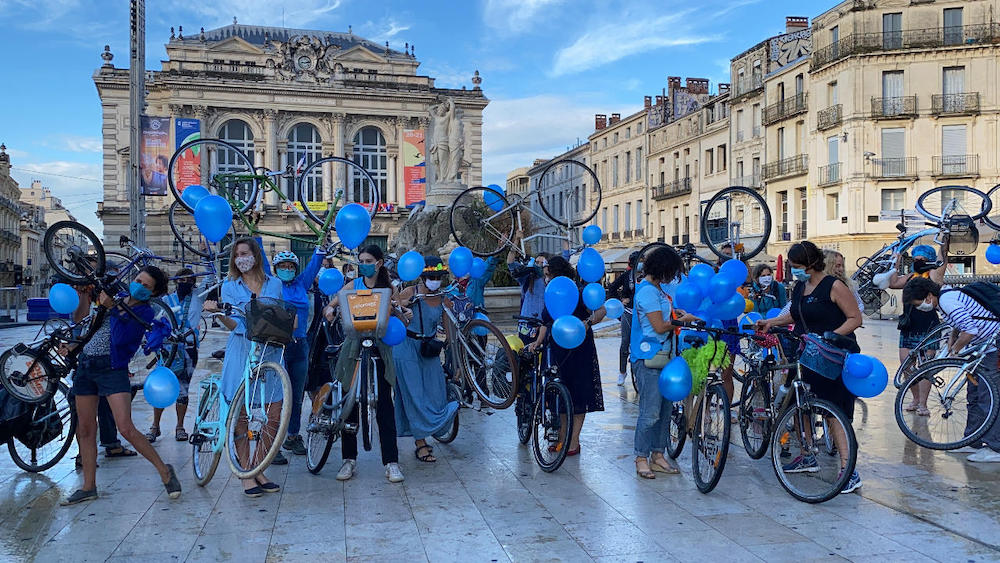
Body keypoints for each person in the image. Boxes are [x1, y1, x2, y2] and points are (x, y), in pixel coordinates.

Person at [62, 266, 182, 505]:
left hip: (113, 369)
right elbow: (87, 324)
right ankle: (88, 486)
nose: (139, 286)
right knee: (85, 428)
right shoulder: (115, 298)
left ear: (153, 292)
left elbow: (121, 338)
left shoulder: (145, 313)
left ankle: (165, 471)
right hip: (87, 365)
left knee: (126, 427)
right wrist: (85, 298)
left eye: (145, 285)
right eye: (138, 280)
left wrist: (113, 308)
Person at [759, 241, 864, 493]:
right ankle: (807, 455)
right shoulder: (800, 287)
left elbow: (855, 318)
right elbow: (796, 314)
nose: (794, 270)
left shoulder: (833, 286)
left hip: (832, 355)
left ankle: (849, 470)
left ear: (809, 264)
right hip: (807, 355)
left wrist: (830, 336)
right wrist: (772, 322)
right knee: (799, 404)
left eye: (796, 266)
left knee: (833, 412)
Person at [203, 238, 284, 497]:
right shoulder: (229, 286)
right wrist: (218, 314)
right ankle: (246, 473)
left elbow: (280, 315)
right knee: (240, 415)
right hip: (241, 350)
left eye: (245, 253)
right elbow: (234, 324)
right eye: (237, 255)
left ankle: (258, 467)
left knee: (274, 413)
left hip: (270, 350)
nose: (241, 259)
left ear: (256, 255)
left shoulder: (275, 284)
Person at [323, 244, 404, 483]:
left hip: (380, 346)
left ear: (379, 263)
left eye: (369, 260)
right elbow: (334, 302)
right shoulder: (353, 285)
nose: (364, 264)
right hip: (354, 347)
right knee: (350, 401)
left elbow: (398, 309)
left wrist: (403, 314)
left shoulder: (388, 288)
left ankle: (391, 462)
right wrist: (329, 309)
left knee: (385, 404)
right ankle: (348, 459)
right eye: (362, 260)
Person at [902, 277, 1000, 462]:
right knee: (974, 395)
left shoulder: (947, 301)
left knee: (989, 397)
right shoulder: (944, 300)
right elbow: (960, 325)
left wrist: (955, 350)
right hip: (981, 347)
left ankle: (996, 448)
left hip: (993, 347)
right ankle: (973, 440)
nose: (919, 307)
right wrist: (952, 340)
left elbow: (970, 330)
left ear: (929, 296)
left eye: (918, 303)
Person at [526, 256, 605, 456]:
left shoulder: (579, 291)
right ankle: (563, 437)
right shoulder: (552, 292)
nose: (545, 279)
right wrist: (537, 341)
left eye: (547, 275)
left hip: (580, 347)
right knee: (560, 394)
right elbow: (546, 322)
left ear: (557, 274)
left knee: (579, 394)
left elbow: (601, 310)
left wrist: (588, 322)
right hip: (557, 348)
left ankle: (574, 441)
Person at [394, 256, 460, 463]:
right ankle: (421, 443)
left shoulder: (443, 297)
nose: (435, 281)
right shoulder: (411, 291)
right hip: (406, 347)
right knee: (414, 395)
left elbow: (450, 332)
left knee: (437, 392)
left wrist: (456, 361)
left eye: (439, 277)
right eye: (432, 277)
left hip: (429, 348)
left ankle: (435, 427)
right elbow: (393, 307)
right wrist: (404, 304)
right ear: (422, 277)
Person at [630, 246, 685, 478]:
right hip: (648, 358)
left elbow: (664, 318)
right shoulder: (646, 292)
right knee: (650, 412)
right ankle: (641, 457)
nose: (673, 277)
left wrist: (677, 314)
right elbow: (660, 327)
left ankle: (658, 454)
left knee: (664, 411)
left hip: (665, 357)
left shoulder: (658, 290)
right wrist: (683, 321)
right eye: (672, 271)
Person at [265, 248, 325, 460]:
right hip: (278, 344)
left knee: (297, 394)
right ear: (276, 269)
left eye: (290, 266)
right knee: (276, 395)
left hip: (300, 344)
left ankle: (292, 436)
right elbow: (261, 260)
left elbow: (314, 265)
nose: (287, 269)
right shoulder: (271, 284)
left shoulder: (302, 283)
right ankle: (271, 443)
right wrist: (255, 237)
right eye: (282, 266)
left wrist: (321, 247)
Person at [147, 269, 206, 444]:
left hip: (188, 348)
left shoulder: (197, 297)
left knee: (183, 387)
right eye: (181, 280)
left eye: (188, 280)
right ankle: (155, 426)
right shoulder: (166, 300)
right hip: (168, 348)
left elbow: (210, 280)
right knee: (161, 385)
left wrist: (208, 260)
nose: (184, 283)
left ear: (193, 283)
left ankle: (180, 426)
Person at [887, 244, 947, 416]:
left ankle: (923, 403)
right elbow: (893, 283)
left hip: (928, 326)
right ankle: (915, 398)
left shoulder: (933, 276)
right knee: (906, 364)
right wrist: (895, 263)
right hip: (909, 325)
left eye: (923, 259)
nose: (919, 262)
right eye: (916, 259)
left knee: (925, 365)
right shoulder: (910, 277)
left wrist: (944, 244)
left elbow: (942, 263)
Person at [607, 251, 640, 386]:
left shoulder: (647, 276)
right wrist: (620, 301)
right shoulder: (627, 276)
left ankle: (639, 371)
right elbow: (612, 288)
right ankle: (622, 371)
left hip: (643, 313)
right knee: (625, 342)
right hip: (628, 311)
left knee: (640, 341)